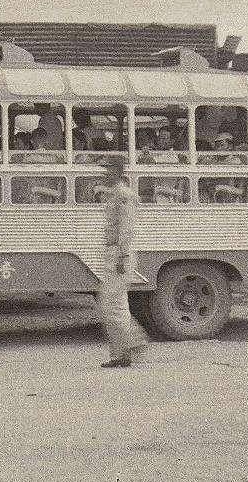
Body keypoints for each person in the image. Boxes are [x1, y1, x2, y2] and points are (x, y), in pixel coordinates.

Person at [96, 156, 148, 368]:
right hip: (114, 253)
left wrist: (121, 256)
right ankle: (126, 350)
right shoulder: (115, 194)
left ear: (117, 171)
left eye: (107, 169)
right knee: (114, 305)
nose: (104, 173)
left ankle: (130, 347)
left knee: (112, 305)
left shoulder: (124, 195)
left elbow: (126, 228)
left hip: (119, 254)